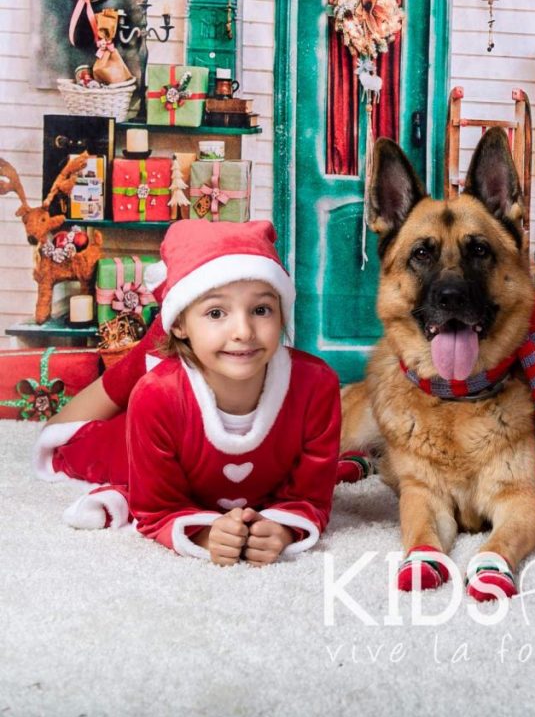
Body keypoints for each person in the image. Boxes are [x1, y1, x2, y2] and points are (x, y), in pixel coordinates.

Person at [37, 221, 341, 566]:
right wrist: (204, 532)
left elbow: (309, 497)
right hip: (133, 438)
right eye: (216, 312)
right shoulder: (156, 395)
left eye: (261, 310)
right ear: (179, 324)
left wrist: (285, 529)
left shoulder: (316, 385)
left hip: (187, 417)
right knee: (78, 447)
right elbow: (156, 508)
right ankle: (147, 355)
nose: (243, 331)